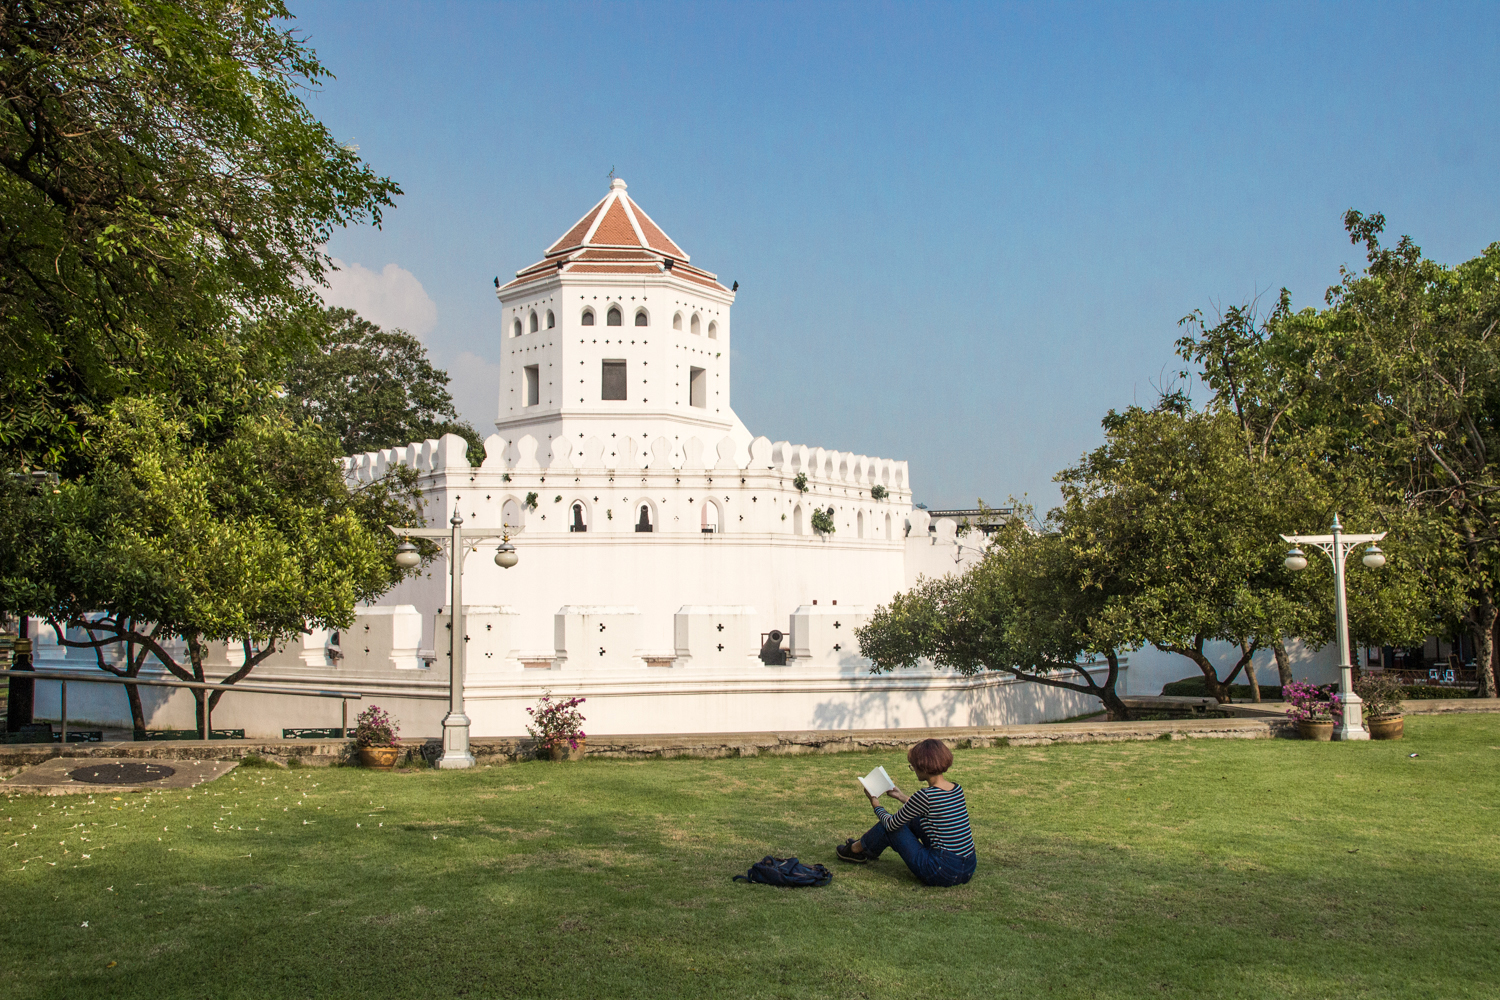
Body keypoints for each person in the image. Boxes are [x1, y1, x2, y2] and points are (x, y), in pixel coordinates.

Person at [835, 738, 976, 886]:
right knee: (912, 819)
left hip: (941, 871)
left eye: (913, 766)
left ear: (923, 766)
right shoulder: (956, 789)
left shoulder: (925, 796)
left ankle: (854, 850)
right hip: (967, 867)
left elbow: (890, 824)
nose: (913, 769)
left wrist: (875, 803)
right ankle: (865, 848)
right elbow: (932, 809)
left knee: (889, 826)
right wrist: (900, 796)